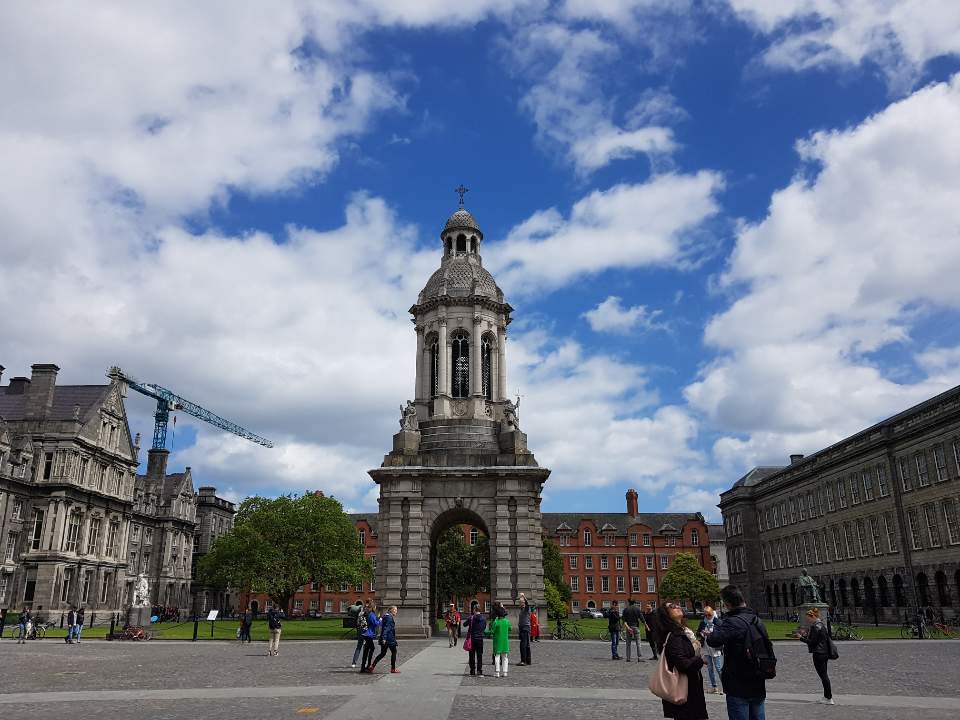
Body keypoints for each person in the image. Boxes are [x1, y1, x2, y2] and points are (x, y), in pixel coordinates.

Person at [706, 585, 771, 720]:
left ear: (727, 604)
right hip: (758, 677)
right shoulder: (757, 620)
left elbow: (713, 640)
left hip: (738, 682)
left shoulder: (732, 622)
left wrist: (715, 627)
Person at [653, 602, 708, 720]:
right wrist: (701, 660)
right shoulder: (675, 636)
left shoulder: (684, 632)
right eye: (672, 607)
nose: (677, 606)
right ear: (666, 614)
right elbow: (683, 664)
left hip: (689, 688)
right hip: (684, 689)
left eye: (677, 605)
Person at [801, 608, 834, 705]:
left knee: (823, 676)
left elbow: (812, 642)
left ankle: (828, 697)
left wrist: (801, 638)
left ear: (812, 616)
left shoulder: (816, 627)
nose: (807, 620)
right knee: (824, 675)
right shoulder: (821, 625)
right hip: (824, 653)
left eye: (808, 618)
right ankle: (826, 696)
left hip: (818, 653)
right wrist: (806, 635)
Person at [697, 606, 723, 695]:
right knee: (709, 668)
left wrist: (711, 634)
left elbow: (721, 634)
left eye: (709, 615)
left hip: (715, 648)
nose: (707, 617)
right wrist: (702, 633)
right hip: (706, 647)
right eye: (705, 615)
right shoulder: (703, 622)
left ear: (712, 613)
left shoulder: (717, 621)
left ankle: (725, 687)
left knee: (718, 668)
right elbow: (698, 632)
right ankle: (714, 687)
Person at [370, 605, 400, 673]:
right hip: (389, 639)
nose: (396, 612)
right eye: (395, 610)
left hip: (386, 638)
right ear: (391, 610)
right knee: (394, 652)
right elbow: (386, 628)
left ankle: (372, 666)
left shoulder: (385, 616)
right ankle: (393, 669)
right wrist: (384, 638)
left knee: (382, 653)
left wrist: (383, 637)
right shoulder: (389, 617)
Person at [463, 602, 487, 676]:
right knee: (479, 656)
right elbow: (484, 627)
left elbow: (464, 624)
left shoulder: (471, 618)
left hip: (472, 639)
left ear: (474, 610)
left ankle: (472, 671)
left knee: (471, 656)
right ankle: (479, 671)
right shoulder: (484, 618)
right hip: (480, 639)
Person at [488, 604, 511, 678]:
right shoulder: (507, 621)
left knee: (497, 657)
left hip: (497, 642)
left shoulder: (496, 622)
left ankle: (497, 672)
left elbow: (492, 631)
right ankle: (505, 672)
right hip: (505, 642)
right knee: (505, 657)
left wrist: (485, 632)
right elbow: (510, 629)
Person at [359, 601, 382, 673]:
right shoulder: (371, 614)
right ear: (373, 607)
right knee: (372, 648)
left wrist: (377, 618)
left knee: (366, 650)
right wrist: (380, 620)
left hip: (367, 634)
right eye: (375, 607)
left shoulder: (370, 614)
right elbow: (375, 623)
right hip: (368, 634)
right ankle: (368, 665)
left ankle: (363, 667)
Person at [348, 599, 365, 667]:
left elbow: (350, 612)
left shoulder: (357, 612)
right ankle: (364, 663)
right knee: (366, 647)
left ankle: (354, 662)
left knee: (359, 646)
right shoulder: (365, 611)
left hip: (359, 629)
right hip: (365, 630)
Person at [518, 596, 533, 665]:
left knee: (523, 645)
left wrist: (524, 596)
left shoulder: (526, 609)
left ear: (523, 603)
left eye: (520, 602)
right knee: (526, 645)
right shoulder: (522, 610)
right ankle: (528, 660)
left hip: (525, 628)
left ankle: (523, 661)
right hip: (522, 628)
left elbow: (527, 604)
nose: (519, 603)